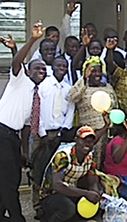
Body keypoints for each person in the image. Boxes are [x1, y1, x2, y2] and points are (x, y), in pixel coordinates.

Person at [0, 22, 47, 222]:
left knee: (10, 179)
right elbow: (17, 63)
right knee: (10, 181)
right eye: (37, 68)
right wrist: (33, 39)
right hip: (1, 132)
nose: (41, 71)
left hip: (13, 138)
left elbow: (28, 126)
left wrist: (24, 151)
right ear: (29, 70)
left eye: (44, 70)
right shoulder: (20, 80)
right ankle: (17, 218)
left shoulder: (36, 95)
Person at [31, 56, 76, 216]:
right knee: (39, 170)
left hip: (60, 134)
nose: (62, 68)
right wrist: (43, 134)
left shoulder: (68, 88)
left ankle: (52, 203)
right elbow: (37, 110)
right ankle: (38, 205)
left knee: (55, 171)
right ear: (53, 67)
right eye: (59, 65)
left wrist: (64, 129)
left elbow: (70, 109)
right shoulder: (44, 86)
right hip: (44, 134)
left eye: (64, 65)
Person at [38, 126, 104, 221]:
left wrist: (94, 192)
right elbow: (57, 186)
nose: (87, 144)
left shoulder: (89, 156)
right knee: (68, 209)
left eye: (90, 141)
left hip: (71, 191)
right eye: (83, 140)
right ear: (76, 140)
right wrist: (86, 194)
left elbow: (93, 179)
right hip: (50, 194)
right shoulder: (63, 156)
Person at [69, 56, 119, 166]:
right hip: (88, 134)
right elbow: (72, 97)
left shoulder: (108, 87)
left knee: (103, 162)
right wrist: (84, 79)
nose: (97, 74)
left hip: (106, 132)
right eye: (93, 71)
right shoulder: (82, 86)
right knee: (89, 162)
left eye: (99, 71)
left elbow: (115, 106)